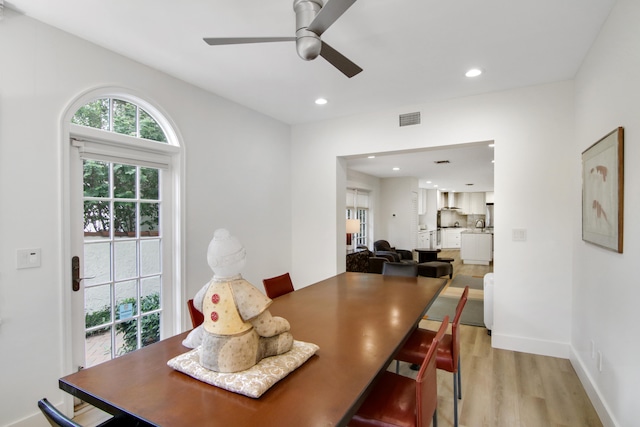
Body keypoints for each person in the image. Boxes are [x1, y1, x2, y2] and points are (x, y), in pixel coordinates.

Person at [183, 228, 293, 373]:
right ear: (241, 258)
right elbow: (266, 328)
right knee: (286, 339)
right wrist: (284, 323)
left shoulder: (207, 289)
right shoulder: (243, 290)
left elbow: (198, 304)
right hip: (238, 355)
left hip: (208, 355)